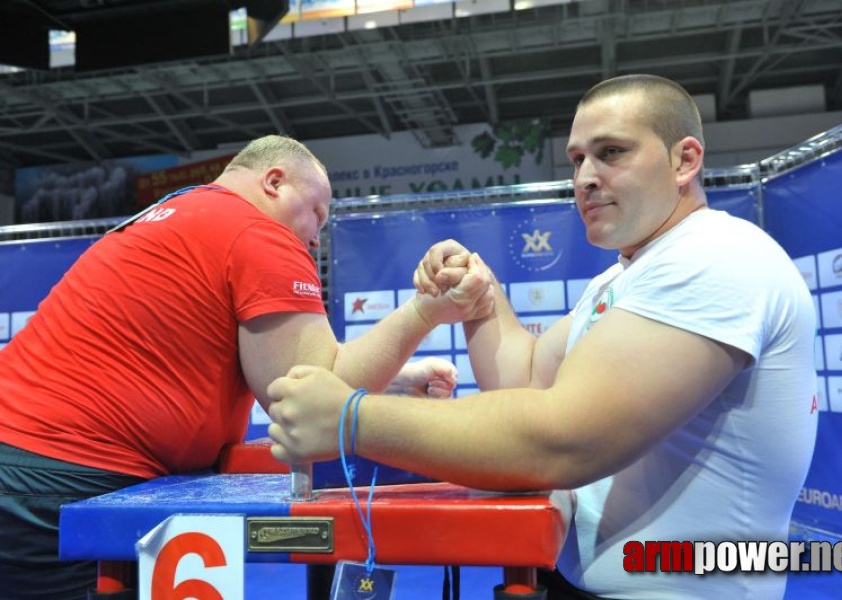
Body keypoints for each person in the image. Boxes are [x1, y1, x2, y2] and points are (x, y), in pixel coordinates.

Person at [266, 75, 818, 600]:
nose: (584, 177)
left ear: (684, 160)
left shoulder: (712, 258)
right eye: (577, 159)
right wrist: (479, 297)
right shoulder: (627, 275)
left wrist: (351, 418)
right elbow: (527, 377)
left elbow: (562, 439)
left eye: (612, 152)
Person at [0, 134, 492, 600]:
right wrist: (426, 312)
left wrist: (396, 375)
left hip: (33, 472)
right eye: (317, 215)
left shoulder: (179, 211)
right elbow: (316, 392)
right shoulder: (258, 231)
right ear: (274, 182)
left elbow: (272, 360)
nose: (316, 240)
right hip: (56, 486)